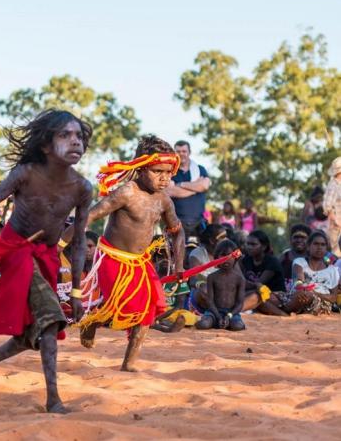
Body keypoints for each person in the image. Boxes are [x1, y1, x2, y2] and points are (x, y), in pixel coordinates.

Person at [0, 109, 93, 414]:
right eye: (65, 135)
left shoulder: (82, 188)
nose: (75, 141)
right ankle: (53, 399)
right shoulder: (25, 173)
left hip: (47, 256)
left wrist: (77, 291)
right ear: (46, 145)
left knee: (29, 336)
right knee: (51, 320)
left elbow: (79, 241)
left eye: (79, 135)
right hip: (16, 251)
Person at [79, 135, 185, 372]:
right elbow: (92, 215)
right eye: (158, 171)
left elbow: (178, 232)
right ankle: (91, 320)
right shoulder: (126, 192)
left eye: (169, 173)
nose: (164, 178)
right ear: (140, 167)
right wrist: (65, 238)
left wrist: (179, 265)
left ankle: (129, 363)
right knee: (124, 308)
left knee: (148, 310)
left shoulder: (165, 201)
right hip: (111, 257)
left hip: (140, 261)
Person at [195, 240, 246, 331]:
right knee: (204, 324)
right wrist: (218, 316)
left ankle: (225, 322)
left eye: (230, 255)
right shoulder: (212, 277)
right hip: (214, 312)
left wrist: (228, 316)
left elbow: (240, 304)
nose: (226, 258)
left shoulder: (240, 279)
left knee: (238, 326)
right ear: (216, 258)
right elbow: (210, 301)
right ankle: (215, 321)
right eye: (223, 255)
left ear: (236, 257)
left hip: (232, 313)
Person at [165, 140, 210, 240]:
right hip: (177, 223)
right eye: (178, 151)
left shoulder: (200, 169)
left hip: (199, 223)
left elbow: (205, 186)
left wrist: (180, 184)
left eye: (184, 151)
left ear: (189, 152)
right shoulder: (170, 171)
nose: (181, 154)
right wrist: (196, 188)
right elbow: (170, 191)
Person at [289, 231, 339, 315]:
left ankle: (285, 311)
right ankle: (285, 311)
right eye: (316, 244)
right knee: (268, 296)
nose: (319, 247)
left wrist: (315, 294)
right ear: (308, 246)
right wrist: (300, 286)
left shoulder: (333, 270)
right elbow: (298, 279)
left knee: (308, 297)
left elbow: (333, 297)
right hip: (299, 295)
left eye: (323, 245)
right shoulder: (299, 262)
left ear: (326, 248)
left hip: (320, 302)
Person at [279, 224, 311, 289]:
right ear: (291, 239)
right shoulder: (285, 256)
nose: (299, 240)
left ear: (309, 240)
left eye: (303, 237)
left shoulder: (314, 256)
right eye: (296, 237)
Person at [323, 156, 341, 256]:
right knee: (335, 252)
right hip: (336, 226)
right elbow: (327, 205)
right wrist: (335, 222)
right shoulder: (333, 185)